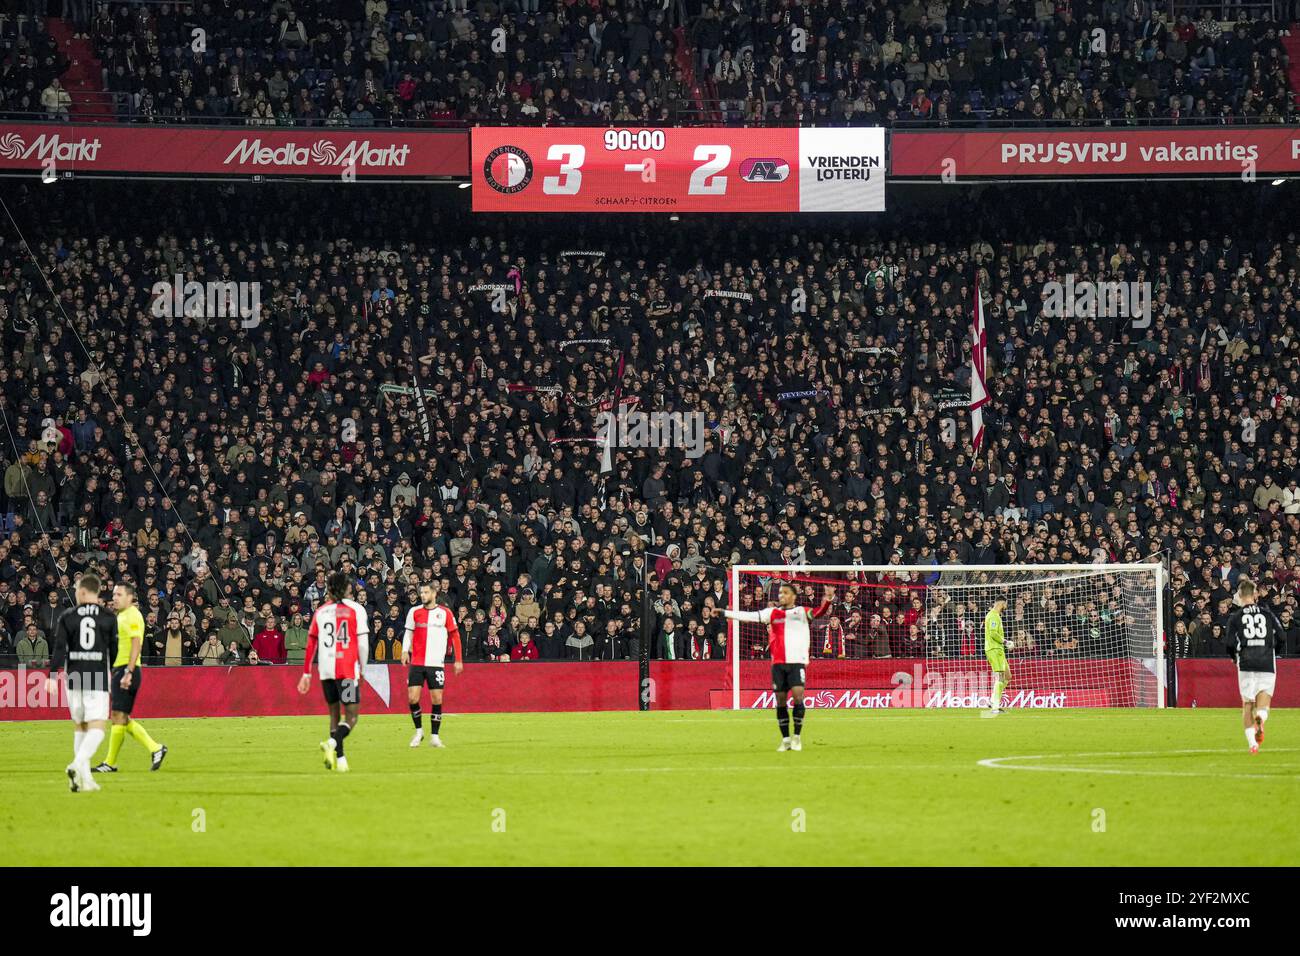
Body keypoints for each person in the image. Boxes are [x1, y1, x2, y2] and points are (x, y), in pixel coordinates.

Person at [722, 582, 832, 752]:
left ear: (794, 596)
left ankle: (797, 737)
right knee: (780, 701)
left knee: (797, 696)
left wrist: (828, 600)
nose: (781, 595)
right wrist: (724, 612)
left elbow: (819, 612)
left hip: (796, 662)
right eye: (780, 593)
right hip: (778, 664)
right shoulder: (772, 613)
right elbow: (749, 616)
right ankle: (786, 739)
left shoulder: (802, 612)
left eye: (785, 593)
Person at [46, 574, 116, 792]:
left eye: (76, 589)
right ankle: (76, 766)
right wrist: (114, 672)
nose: (75, 593)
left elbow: (59, 649)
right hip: (96, 673)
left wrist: (51, 676)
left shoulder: (68, 616)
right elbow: (113, 651)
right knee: (98, 726)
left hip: (74, 674)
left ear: (84, 591)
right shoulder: (107, 616)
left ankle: (84, 780)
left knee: (80, 726)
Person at [298, 571, 370, 772]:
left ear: (329, 589)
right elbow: (363, 646)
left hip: (326, 670)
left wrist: (306, 673)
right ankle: (332, 743)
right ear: (347, 588)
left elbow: (311, 641)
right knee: (352, 716)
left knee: (333, 713)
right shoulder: (356, 610)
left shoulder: (320, 612)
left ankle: (341, 760)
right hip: (346, 670)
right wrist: (363, 669)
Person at [93, 583, 167, 773]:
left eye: (119, 594)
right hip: (121, 668)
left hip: (128, 669)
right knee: (121, 717)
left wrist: (129, 671)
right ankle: (156, 748)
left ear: (130, 597)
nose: (114, 598)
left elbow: (136, 644)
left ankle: (110, 763)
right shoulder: (122, 615)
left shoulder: (133, 614)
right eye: (114, 594)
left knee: (118, 716)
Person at [1223, 577, 1283, 754]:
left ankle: (1253, 745)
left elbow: (1229, 643)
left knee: (1247, 704)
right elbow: (1281, 636)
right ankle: (1261, 718)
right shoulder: (1267, 613)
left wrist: (1234, 658)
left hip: (1246, 661)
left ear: (1240, 596)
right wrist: (1273, 650)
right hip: (1266, 660)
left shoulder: (1236, 617)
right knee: (1264, 703)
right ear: (1255, 594)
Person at [402, 582, 463, 748]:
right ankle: (419, 731)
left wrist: (458, 660)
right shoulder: (414, 612)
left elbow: (455, 636)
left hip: (436, 663)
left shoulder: (445, 613)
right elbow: (408, 632)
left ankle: (435, 736)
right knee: (412, 698)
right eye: (421, 592)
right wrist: (404, 650)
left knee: (437, 699)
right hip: (417, 662)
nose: (423, 595)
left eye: (426, 592)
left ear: (434, 594)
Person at [983, 595, 1010, 717]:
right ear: (1001, 603)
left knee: (1008, 676)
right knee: (999, 676)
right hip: (994, 649)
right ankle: (995, 707)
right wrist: (1006, 642)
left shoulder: (995, 615)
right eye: (1005, 604)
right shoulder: (993, 615)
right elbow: (993, 633)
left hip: (998, 649)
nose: (1006, 607)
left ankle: (992, 700)